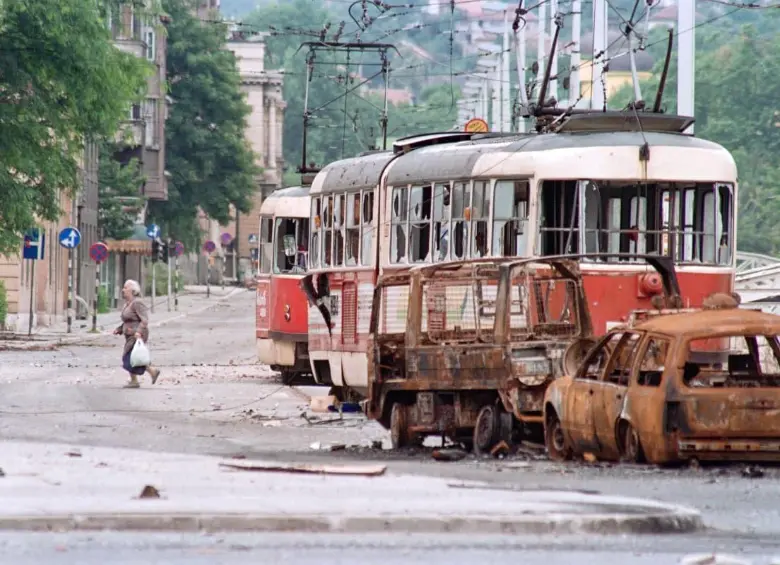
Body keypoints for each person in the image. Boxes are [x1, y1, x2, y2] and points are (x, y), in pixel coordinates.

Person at [113, 279, 160, 388]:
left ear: (132, 291)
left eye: (125, 288)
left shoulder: (137, 303)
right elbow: (127, 320)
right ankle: (146, 374)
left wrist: (139, 331)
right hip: (129, 334)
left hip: (137, 334)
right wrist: (119, 329)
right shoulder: (127, 304)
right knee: (133, 357)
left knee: (129, 358)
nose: (123, 290)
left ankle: (144, 375)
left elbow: (144, 320)